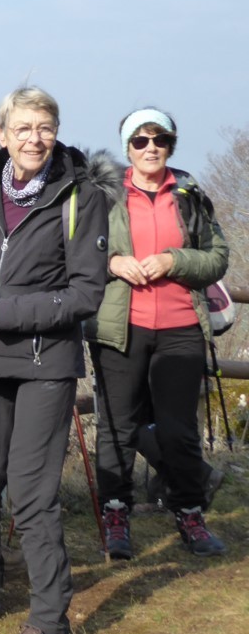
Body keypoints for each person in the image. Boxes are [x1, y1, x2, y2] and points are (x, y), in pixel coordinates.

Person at [0, 86, 115, 634]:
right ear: (3, 132)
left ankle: (49, 623)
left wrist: (0, 311)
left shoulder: (81, 196)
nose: (34, 137)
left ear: (56, 130)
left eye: (44, 126)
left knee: (34, 496)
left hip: (46, 363)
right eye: (23, 127)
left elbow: (85, 293)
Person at [84, 108, 228, 558]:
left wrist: (173, 261)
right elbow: (75, 254)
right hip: (119, 328)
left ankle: (189, 514)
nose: (151, 148)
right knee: (117, 428)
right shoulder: (103, 195)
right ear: (127, 147)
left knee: (178, 430)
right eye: (141, 141)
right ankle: (115, 517)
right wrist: (111, 263)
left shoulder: (189, 193)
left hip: (181, 326)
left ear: (171, 144)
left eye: (159, 140)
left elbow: (217, 257)